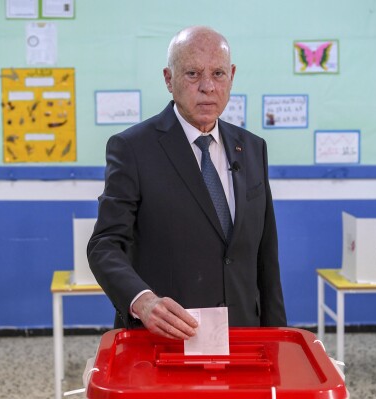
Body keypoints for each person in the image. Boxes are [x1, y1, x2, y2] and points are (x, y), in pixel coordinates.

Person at [87, 26, 286, 340]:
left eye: (218, 73)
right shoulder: (133, 148)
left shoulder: (251, 148)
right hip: (168, 337)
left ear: (232, 75)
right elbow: (104, 245)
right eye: (193, 73)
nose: (207, 87)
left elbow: (266, 256)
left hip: (244, 334)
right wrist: (142, 301)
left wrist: (277, 337)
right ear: (169, 79)